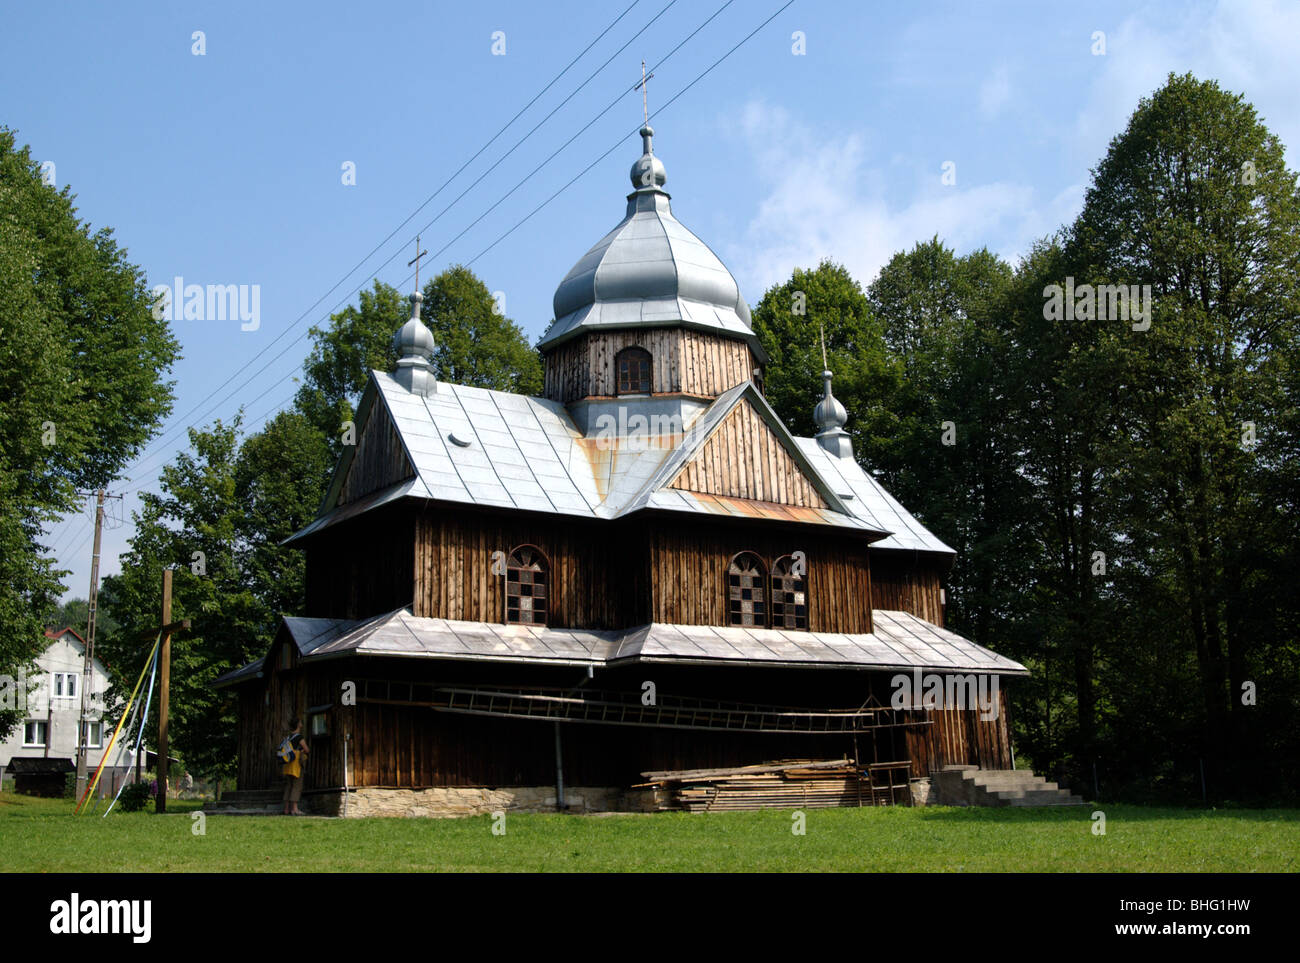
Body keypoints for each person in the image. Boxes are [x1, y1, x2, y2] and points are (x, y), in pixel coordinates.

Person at [279, 717, 309, 815]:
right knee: (297, 785)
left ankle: (286, 809)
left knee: (288, 786)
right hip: (296, 765)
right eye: (300, 722)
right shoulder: (299, 737)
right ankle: (294, 809)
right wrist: (301, 751)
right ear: (298, 724)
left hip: (287, 764)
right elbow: (306, 749)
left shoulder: (288, 737)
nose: (301, 723)